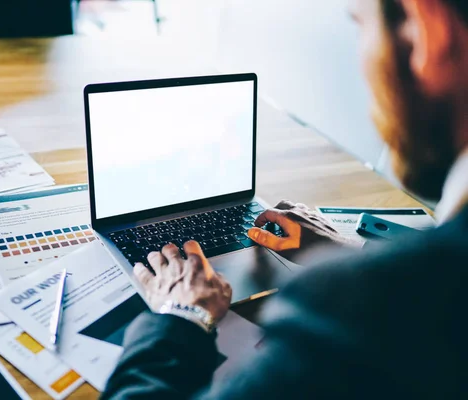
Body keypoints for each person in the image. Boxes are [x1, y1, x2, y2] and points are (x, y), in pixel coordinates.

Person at [102, 0, 468, 398]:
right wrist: (350, 251)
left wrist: (181, 316)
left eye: (360, 25)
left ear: (426, 29)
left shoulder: (351, 311)